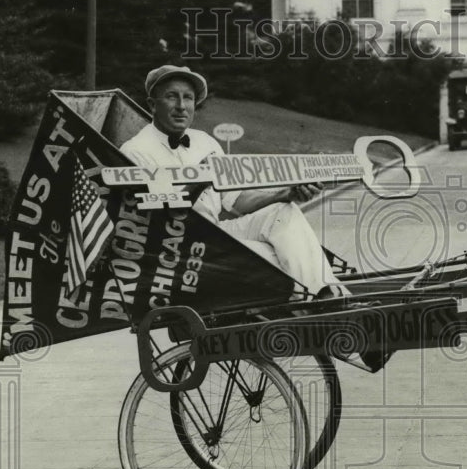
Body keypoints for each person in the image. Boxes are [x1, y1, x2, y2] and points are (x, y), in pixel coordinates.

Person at [120, 64, 344, 300]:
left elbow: (236, 201)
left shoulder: (205, 142)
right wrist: (199, 180)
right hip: (179, 251)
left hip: (217, 235)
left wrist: (286, 194)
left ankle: (328, 296)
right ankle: (328, 303)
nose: (181, 106)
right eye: (171, 97)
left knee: (283, 212)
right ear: (152, 104)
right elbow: (153, 224)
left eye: (188, 98)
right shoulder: (136, 151)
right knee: (277, 256)